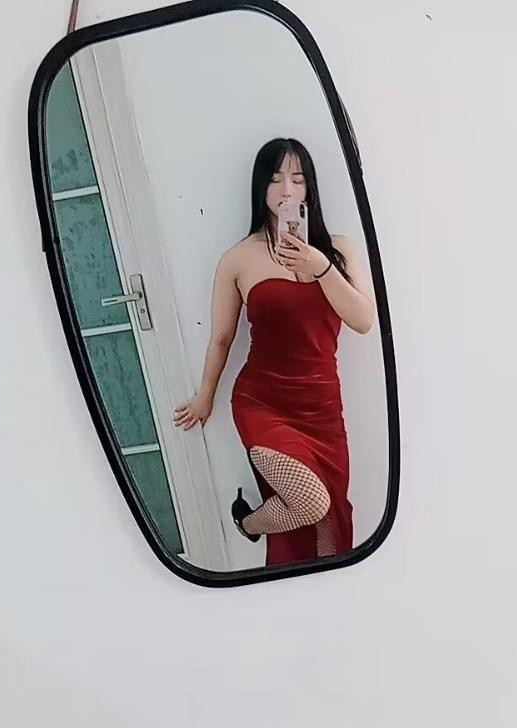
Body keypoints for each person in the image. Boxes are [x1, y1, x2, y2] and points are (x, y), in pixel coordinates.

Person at [173, 138, 375, 567]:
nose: (286, 190)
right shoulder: (237, 259)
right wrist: (205, 396)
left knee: (330, 529)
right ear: (260, 186)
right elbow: (222, 337)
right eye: (276, 178)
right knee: (310, 501)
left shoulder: (339, 249)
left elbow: (363, 320)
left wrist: (320, 267)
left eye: (297, 179)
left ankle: (317, 600)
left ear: (309, 188)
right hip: (262, 402)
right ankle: (248, 523)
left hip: (322, 408)